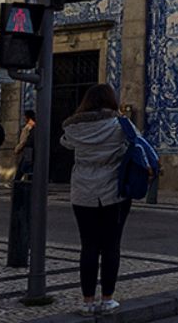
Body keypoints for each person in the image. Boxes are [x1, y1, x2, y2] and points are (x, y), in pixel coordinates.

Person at [61, 83, 141, 316]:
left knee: (88, 246)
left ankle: (87, 301)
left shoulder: (74, 128)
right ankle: (107, 299)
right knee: (111, 246)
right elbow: (136, 142)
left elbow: (64, 143)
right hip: (112, 193)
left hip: (83, 192)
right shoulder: (119, 125)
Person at [15, 110, 37, 182]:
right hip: (29, 148)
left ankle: (17, 181)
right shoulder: (34, 125)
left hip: (28, 148)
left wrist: (17, 148)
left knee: (24, 166)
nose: (24, 118)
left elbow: (24, 140)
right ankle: (17, 180)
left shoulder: (29, 126)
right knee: (23, 165)